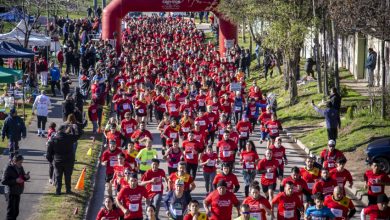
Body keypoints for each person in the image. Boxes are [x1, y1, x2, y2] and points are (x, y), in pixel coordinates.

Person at [46, 125, 78, 195]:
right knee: (68, 176)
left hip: (57, 160)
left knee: (58, 176)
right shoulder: (69, 138)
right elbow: (78, 135)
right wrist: (74, 129)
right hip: (68, 160)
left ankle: (58, 190)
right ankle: (68, 190)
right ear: (64, 130)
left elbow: (48, 153)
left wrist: (51, 161)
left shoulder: (53, 139)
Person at [1, 155, 30, 220]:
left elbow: (22, 178)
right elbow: (3, 181)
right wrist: (15, 181)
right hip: (10, 192)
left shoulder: (20, 167)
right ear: (14, 162)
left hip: (17, 191)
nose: (21, 164)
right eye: (20, 162)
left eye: (22, 162)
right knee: (11, 212)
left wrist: (26, 177)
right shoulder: (8, 168)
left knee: (16, 212)